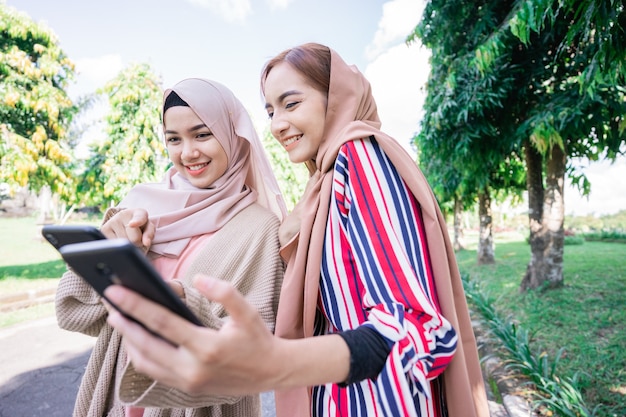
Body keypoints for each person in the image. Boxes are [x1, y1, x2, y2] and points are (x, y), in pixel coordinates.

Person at [104, 43, 490, 417]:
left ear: (335, 98)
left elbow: (416, 326)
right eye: (270, 111)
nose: (277, 124)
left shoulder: (360, 158)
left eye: (292, 104)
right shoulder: (325, 181)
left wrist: (281, 362)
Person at [55, 78, 287, 417]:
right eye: (173, 139)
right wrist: (103, 249)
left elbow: (255, 352)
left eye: (202, 134)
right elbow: (75, 313)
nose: (187, 152)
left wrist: (185, 305)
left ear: (231, 135)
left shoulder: (260, 229)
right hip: (119, 395)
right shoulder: (138, 208)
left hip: (198, 407)